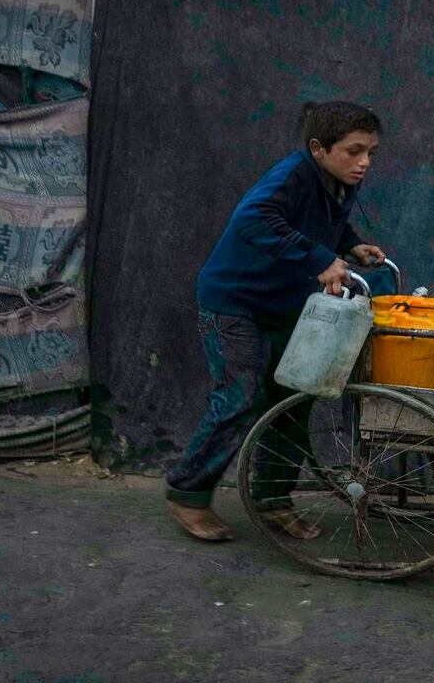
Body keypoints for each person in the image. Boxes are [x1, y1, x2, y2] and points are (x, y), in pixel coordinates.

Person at [165, 100, 386, 542]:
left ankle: (272, 500)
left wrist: (350, 245)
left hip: (285, 305)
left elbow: (317, 224)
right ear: (318, 149)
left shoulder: (339, 181)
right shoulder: (292, 175)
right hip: (235, 302)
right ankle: (187, 494)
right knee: (239, 399)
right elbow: (253, 218)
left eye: (371, 153)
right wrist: (319, 258)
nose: (364, 163)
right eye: (354, 151)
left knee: (294, 399)